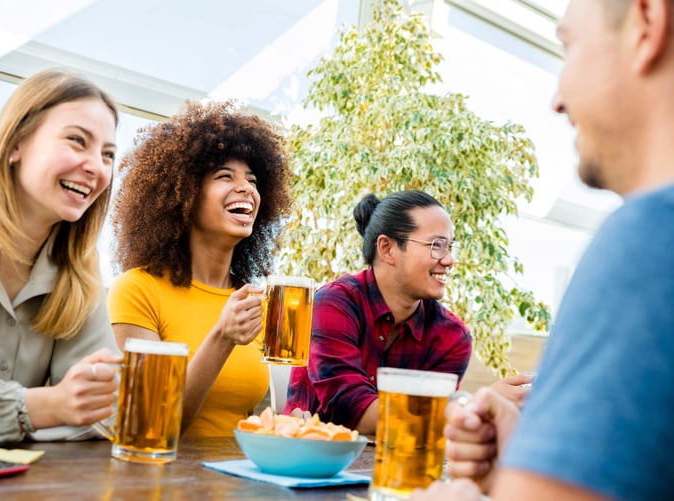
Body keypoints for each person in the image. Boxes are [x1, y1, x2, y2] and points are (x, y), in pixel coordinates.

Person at [413, 0, 674, 500]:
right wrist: (536, 457)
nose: (557, 99)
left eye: (569, 47)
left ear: (647, 24)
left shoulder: (650, 239)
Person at [0, 69, 122, 447]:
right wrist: (33, 408)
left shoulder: (78, 269)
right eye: (77, 141)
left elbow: (105, 408)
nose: (96, 167)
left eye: (108, 155)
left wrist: (64, 407)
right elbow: (63, 409)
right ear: (16, 144)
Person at [107, 100, 292, 437]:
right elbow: (154, 424)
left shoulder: (250, 301)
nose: (246, 188)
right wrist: (222, 336)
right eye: (225, 176)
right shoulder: (137, 290)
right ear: (185, 195)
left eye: (252, 180)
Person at [284, 190, 473, 435]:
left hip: (400, 468)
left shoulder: (452, 337)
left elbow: (426, 429)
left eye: (450, 246)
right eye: (436, 245)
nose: (449, 260)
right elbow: (351, 412)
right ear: (387, 248)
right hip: (314, 465)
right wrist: (471, 407)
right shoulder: (334, 304)